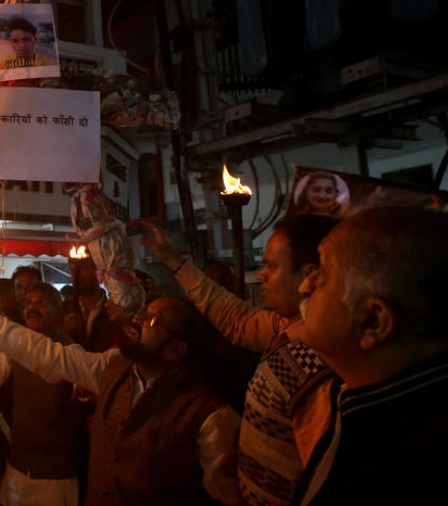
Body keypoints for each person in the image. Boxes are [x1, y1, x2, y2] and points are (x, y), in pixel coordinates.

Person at [0, 293, 244, 506]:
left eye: (151, 320)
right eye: (142, 314)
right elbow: (42, 352)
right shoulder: (113, 369)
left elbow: (228, 495)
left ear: (176, 350)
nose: (137, 322)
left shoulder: (211, 415)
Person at [140, 215, 338, 506]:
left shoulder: (320, 360)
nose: (261, 275)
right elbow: (237, 318)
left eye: (272, 266)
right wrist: (176, 263)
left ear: (309, 276)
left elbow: (324, 471)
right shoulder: (282, 327)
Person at [293, 207, 448, 505]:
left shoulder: (425, 470)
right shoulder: (369, 406)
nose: (305, 286)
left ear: (373, 322)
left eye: (323, 273)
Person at [0, 282, 82, 506]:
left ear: (58, 310)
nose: (32, 308)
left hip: (54, 474)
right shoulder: (17, 346)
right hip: (18, 465)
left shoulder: (70, 352)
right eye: (28, 303)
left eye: (41, 303)